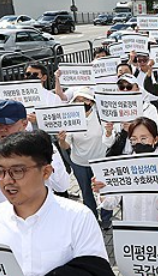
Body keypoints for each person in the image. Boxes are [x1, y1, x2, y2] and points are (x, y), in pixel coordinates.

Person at [0, 130, 111, 276]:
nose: (7, 180)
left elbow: (94, 270)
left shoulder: (78, 218)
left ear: (46, 172)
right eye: (0, 172)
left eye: (17, 171)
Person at [0, 100, 70, 205]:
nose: (2, 129)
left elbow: (62, 185)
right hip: (6, 220)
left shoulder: (41, 146)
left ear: (24, 123)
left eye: (8, 124)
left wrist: (45, 158)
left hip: (42, 214)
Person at [94, 117, 158, 223]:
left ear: (155, 139)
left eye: (144, 138)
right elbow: (110, 203)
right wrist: (103, 190)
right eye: (134, 139)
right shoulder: (124, 165)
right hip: (132, 229)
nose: (139, 142)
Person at [57, 88, 109, 225]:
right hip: (79, 162)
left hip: (100, 161)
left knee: (104, 191)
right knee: (86, 192)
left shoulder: (102, 117)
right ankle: (92, 219)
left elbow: (109, 139)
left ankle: (106, 219)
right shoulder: (70, 120)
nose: (82, 103)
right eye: (78, 100)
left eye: (85, 99)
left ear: (91, 102)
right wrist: (61, 140)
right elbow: (66, 146)